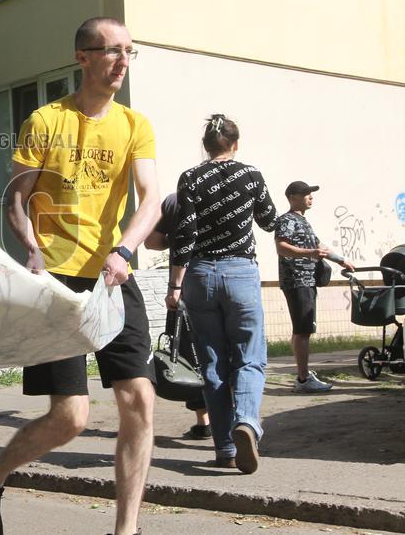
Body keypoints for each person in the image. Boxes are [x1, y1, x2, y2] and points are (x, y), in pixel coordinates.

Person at [0, 17, 161, 535]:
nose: (121, 61)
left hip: (112, 276)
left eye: (128, 52)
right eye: (111, 50)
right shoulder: (46, 120)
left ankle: (126, 529)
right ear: (83, 57)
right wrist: (31, 247)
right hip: (55, 282)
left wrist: (124, 249)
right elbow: (16, 200)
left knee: (139, 398)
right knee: (71, 417)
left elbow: (152, 199)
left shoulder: (135, 126)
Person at [165, 115, 278, 475]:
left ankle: (226, 448)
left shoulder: (191, 178)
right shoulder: (251, 175)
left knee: (213, 363)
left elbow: (184, 234)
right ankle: (246, 422)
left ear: (206, 145)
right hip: (241, 272)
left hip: (200, 275)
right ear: (235, 143)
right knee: (250, 357)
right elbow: (269, 219)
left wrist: (175, 285)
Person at [275, 181, 354, 392]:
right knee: (303, 330)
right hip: (297, 280)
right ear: (292, 197)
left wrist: (340, 260)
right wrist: (308, 254)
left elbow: (319, 246)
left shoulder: (302, 221)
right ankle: (303, 380)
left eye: (311, 193)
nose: (310, 197)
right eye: (305, 193)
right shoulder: (287, 220)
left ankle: (303, 375)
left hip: (306, 280)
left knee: (302, 329)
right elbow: (281, 247)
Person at [144, 193, 212, 440]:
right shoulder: (234, 194)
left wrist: (173, 237)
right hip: (228, 281)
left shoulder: (174, 201)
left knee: (189, 352)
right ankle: (235, 418)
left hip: (185, 284)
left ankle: (204, 421)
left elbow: (151, 242)